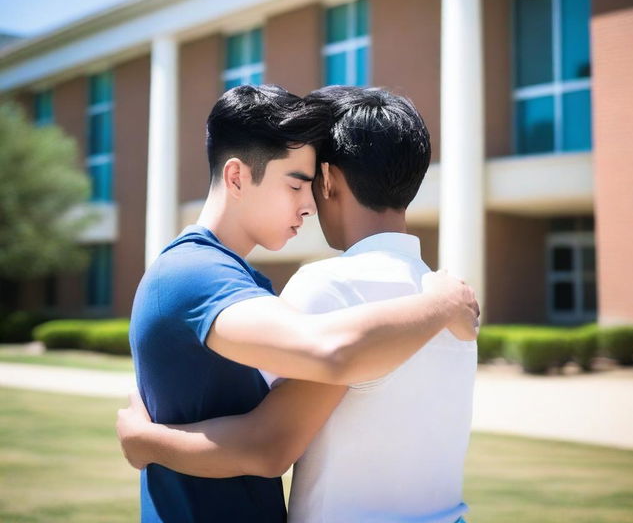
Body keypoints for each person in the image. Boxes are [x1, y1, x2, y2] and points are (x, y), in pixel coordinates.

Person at [120, 85, 477, 523]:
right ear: (236, 177)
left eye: (310, 184)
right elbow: (324, 358)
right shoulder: (192, 272)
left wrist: (146, 437)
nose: (308, 205)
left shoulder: (260, 284)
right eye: (295, 184)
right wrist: (440, 302)